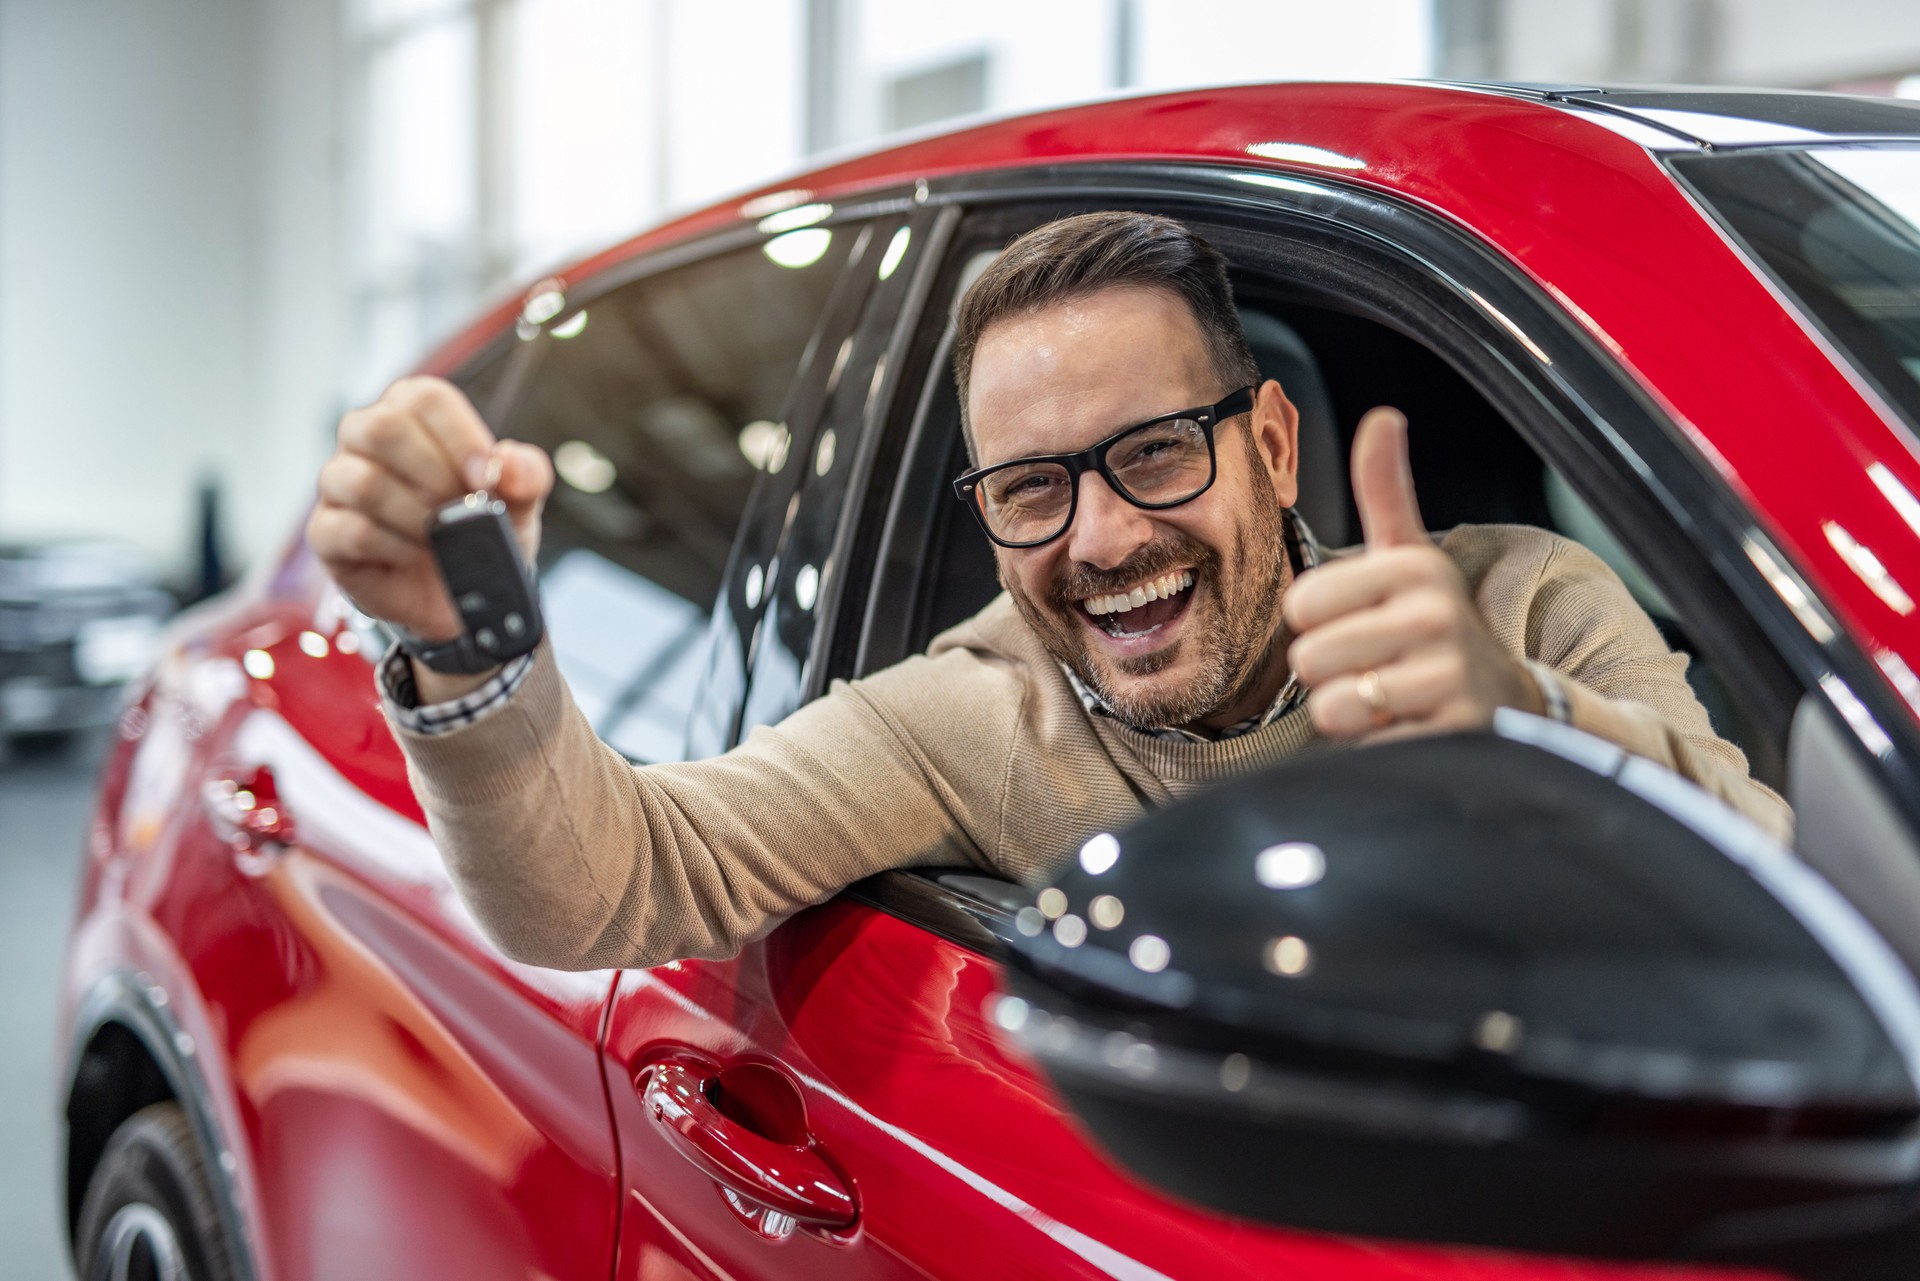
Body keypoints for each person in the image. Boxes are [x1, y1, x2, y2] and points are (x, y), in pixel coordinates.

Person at [308, 211, 1790, 971]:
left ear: (1273, 444)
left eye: (1153, 452)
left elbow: (1785, 891)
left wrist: (1519, 730)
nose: (1096, 540)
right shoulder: (971, 711)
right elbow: (613, 881)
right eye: (1031, 488)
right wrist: (464, 648)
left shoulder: (1523, 610)